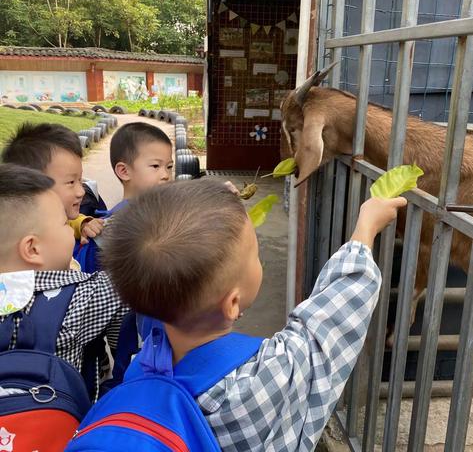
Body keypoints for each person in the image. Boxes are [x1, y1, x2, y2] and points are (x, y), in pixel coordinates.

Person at [96, 179, 406, 451]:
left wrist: (216, 205)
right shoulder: (258, 383)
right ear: (232, 304)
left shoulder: (140, 368)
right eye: (255, 255)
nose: (260, 260)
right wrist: (365, 229)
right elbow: (330, 320)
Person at [0, 164, 129, 395]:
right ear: (32, 248)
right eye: (64, 224)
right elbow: (128, 282)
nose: (73, 231)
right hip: (60, 424)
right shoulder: (80, 296)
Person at [1, 123, 104, 246]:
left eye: (80, 181)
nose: (81, 191)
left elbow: (69, 221)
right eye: (71, 182)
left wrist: (83, 224)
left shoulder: (53, 217)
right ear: (34, 187)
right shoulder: (13, 230)